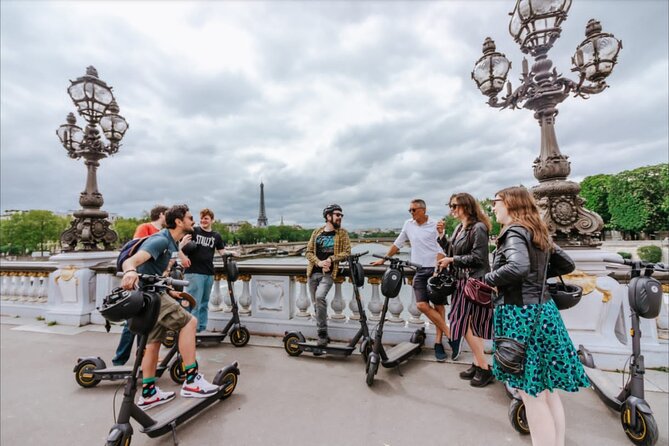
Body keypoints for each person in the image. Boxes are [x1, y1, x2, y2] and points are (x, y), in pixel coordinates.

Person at [485, 186, 589, 446]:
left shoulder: (513, 232)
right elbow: (566, 264)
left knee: (531, 394)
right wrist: (537, 276)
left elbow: (517, 267)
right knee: (547, 390)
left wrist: (489, 279)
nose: (493, 207)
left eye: (495, 201)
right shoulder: (536, 230)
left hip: (521, 316)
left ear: (509, 203)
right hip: (544, 312)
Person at [121, 204, 219, 410]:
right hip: (150, 296)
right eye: (190, 218)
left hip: (152, 295)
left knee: (153, 343)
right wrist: (130, 271)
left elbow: (155, 273)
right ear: (179, 222)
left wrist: (169, 290)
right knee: (189, 322)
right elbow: (132, 261)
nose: (193, 221)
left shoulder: (172, 242)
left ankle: (148, 393)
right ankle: (192, 380)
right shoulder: (160, 240)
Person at [372, 199, 454, 362]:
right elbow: (398, 243)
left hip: (435, 269)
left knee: (438, 307)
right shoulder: (408, 224)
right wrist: (384, 259)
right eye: (409, 210)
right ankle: (450, 334)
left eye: (414, 210)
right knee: (421, 305)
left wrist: (437, 269)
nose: (411, 213)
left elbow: (441, 248)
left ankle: (438, 343)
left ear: (423, 210)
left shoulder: (435, 225)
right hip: (419, 269)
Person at [437, 193, 493, 386]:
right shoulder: (461, 227)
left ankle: (484, 367)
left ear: (466, 206)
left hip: (473, 283)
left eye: (454, 206)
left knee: (465, 323)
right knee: (468, 324)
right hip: (462, 283)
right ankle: (478, 363)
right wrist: (442, 237)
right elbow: (453, 250)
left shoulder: (478, 228)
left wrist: (451, 260)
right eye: (450, 205)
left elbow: (479, 258)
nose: (451, 209)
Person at [112, 205, 168, 366]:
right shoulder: (145, 228)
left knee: (145, 323)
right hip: (140, 282)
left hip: (153, 282)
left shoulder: (163, 234)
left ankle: (143, 356)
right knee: (131, 324)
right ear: (162, 214)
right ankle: (119, 360)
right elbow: (136, 250)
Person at [305, 204, 351, 347]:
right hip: (313, 273)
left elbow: (347, 252)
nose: (340, 217)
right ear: (328, 216)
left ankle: (322, 334)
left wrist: (331, 259)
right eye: (337, 215)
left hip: (329, 274)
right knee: (316, 305)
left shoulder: (342, 233)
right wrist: (319, 262)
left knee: (319, 297)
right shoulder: (317, 232)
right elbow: (308, 252)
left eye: (341, 215)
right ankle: (323, 332)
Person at [181, 208, 232, 333]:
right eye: (202, 218)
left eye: (206, 218)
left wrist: (232, 253)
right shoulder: (194, 231)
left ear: (212, 220)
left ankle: (201, 328)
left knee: (204, 303)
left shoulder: (216, 236)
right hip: (194, 272)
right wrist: (182, 257)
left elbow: (222, 252)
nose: (203, 220)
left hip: (208, 273)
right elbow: (180, 245)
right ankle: (190, 330)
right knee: (194, 303)